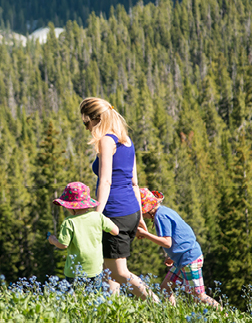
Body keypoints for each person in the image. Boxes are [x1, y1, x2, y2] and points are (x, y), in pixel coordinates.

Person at [80, 97, 157, 301]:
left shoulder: (106, 140)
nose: (86, 127)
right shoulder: (126, 139)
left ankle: (159, 306)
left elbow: (105, 181)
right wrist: (139, 215)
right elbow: (134, 182)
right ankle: (111, 308)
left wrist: (96, 216)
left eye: (85, 122)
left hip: (115, 213)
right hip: (130, 211)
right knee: (109, 269)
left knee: (119, 272)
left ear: (96, 119)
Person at [135, 188, 220, 308]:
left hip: (189, 258)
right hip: (182, 257)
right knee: (165, 288)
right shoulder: (164, 211)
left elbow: (167, 242)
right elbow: (180, 236)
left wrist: (145, 234)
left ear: (147, 209)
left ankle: (225, 315)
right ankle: (173, 315)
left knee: (199, 296)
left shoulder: (160, 216)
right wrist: (172, 256)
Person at [47, 182, 119, 289]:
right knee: (94, 297)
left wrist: (52, 240)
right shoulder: (98, 216)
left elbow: (63, 245)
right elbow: (116, 231)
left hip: (74, 270)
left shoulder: (69, 222)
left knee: (76, 298)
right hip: (95, 269)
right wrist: (106, 221)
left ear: (72, 207)